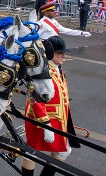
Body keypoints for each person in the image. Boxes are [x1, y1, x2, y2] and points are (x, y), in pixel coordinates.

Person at [22, 36, 80, 176]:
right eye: (60, 53)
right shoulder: (43, 72)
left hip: (58, 120)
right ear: (50, 53)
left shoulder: (58, 69)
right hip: (42, 120)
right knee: (32, 151)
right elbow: (35, 100)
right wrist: (45, 125)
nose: (63, 56)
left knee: (63, 151)